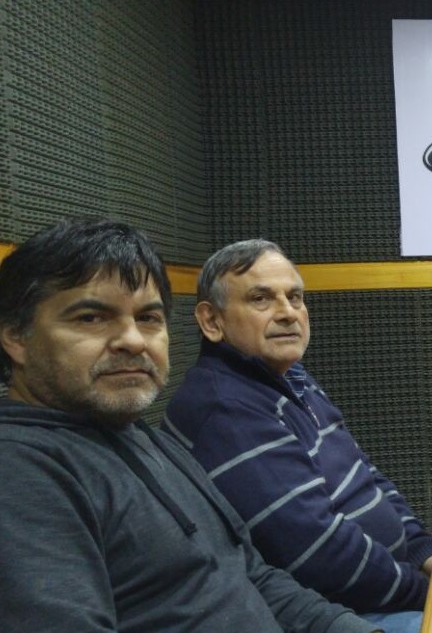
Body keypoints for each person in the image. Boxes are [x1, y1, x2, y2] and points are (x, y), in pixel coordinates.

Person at [0, 219, 375, 633]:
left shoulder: (142, 436)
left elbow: (252, 574)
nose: (133, 340)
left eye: (148, 318)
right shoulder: (20, 473)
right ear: (16, 336)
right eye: (91, 318)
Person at [163, 239, 432, 633]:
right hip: (343, 614)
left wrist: (424, 551)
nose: (288, 313)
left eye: (295, 297)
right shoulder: (225, 409)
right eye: (262, 299)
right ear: (211, 322)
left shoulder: (289, 376)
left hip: (392, 587)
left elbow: (366, 476)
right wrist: (430, 590)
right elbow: (322, 557)